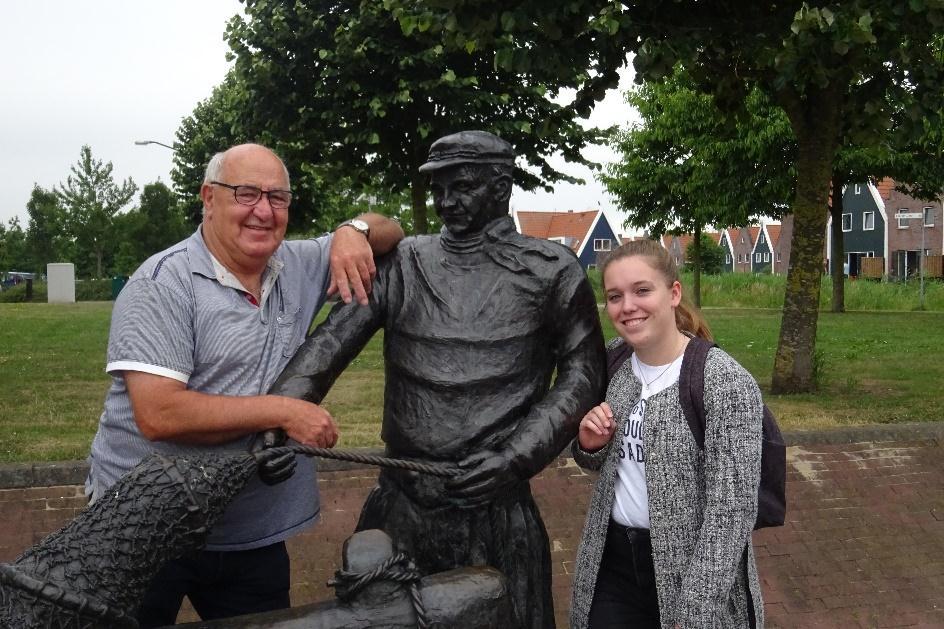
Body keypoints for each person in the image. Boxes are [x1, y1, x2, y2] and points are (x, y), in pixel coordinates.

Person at [267, 130, 606, 628]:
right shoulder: (404, 262)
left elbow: (583, 373)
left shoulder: (552, 271)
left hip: (494, 510)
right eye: (438, 188)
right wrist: (282, 411)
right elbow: (330, 343)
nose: (446, 202)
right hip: (402, 506)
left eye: (462, 186)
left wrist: (516, 458)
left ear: (500, 187)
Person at [84, 143, 404, 627]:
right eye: (246, 193)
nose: (263, 210)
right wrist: (283, 411)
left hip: (249, 529)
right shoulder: (162, 283)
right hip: (143, 524)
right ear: (208, 198)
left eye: (277, 197)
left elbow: (392, 228)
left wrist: (351, 230)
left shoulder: (296, 263)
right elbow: (160, 414)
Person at [569, 239, 765, 629]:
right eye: (614, 296)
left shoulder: (724, 383)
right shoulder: (613, 363)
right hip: (612, 564)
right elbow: (599, 460)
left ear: (673, 293)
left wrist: (694, 612)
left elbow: (731, 513)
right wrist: (590, 445)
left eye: (642, 290)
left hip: (687, 571)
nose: (628, 306)